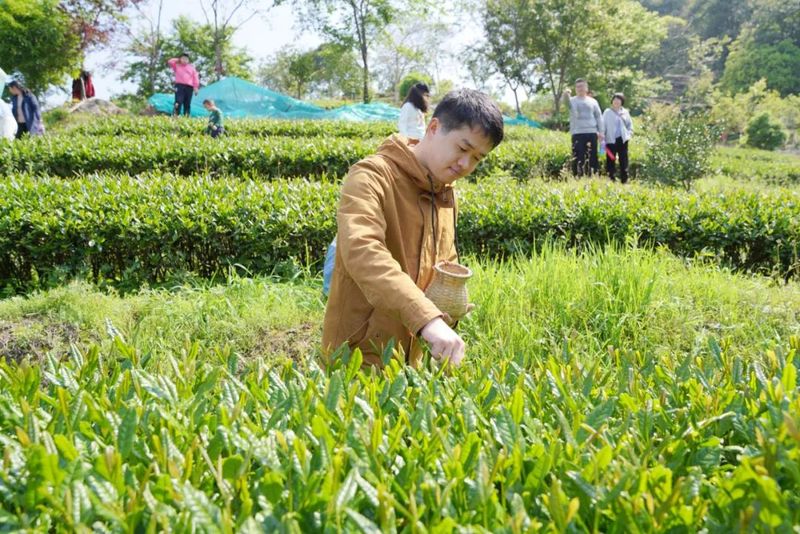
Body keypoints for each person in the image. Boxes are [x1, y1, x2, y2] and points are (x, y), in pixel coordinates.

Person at [322, 88, 504, 368]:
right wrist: (426, 318)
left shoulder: (444, 191)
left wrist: (450, 302)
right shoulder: (371, 176)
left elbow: (444, 259)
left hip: (414, 355)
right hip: (360, 355)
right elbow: (363, 251)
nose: (466, 164)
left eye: (478, 158)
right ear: (433, 127)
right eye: (463, 148)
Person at [561, 79, 604, 176]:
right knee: (578, 156)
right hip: (577, 133)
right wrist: (566, 93)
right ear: (575, 89)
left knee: (592, 156)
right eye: (578, 87)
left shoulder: (593, 101)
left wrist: (601, 132)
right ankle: (578, 177)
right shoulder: (571, 101)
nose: (580, 88)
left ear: (586, 88)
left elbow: (599, 116)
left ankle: (593, 176)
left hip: (592, 132)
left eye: (582, 86)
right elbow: (564, 101)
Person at [602, 93, 634, 183]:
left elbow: (630, 125)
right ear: (612, 101)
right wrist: (602, 136)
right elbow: (602, 125)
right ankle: (611, 179)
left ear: (622, 102)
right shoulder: (607, 112)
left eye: (618, 100)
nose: (616, 101)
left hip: (623, 139)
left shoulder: (625, 112)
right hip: (610, 139)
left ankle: (624, 180)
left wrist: (629, 134)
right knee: (611, 160)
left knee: (623, 160)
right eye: (614, 99)